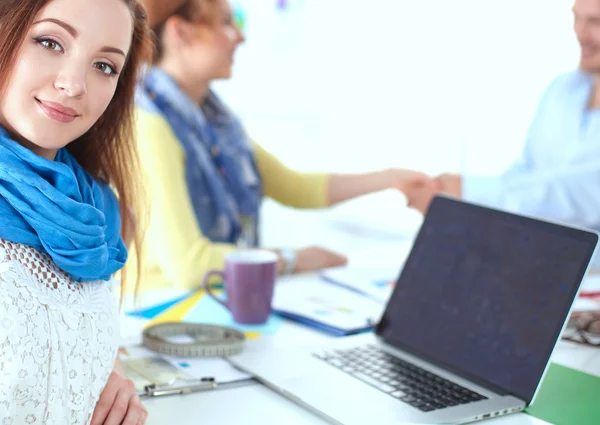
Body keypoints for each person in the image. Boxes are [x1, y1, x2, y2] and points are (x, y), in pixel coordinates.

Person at [135, 0, 435, 291]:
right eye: (226, 23)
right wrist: (295, 259)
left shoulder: (214, 122)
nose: (240, 37)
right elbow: (189, 266)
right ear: (180, 31)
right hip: (162, 310)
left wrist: (392, 179)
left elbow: (294, 187)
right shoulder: (151, 124)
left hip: (213, 301)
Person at [0, 0, 152, 424]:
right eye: (50, 42)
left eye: (104, 66)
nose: (74, 84)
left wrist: (112, 377)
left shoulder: (96, 215)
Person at [406, 0, 600, 264]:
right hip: (539, 261)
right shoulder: (563, 89)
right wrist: (472, 208)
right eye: (577, 18)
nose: (580, 33)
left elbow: (586, 191)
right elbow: (525, 172)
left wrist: (467, 193)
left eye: (595, 22)